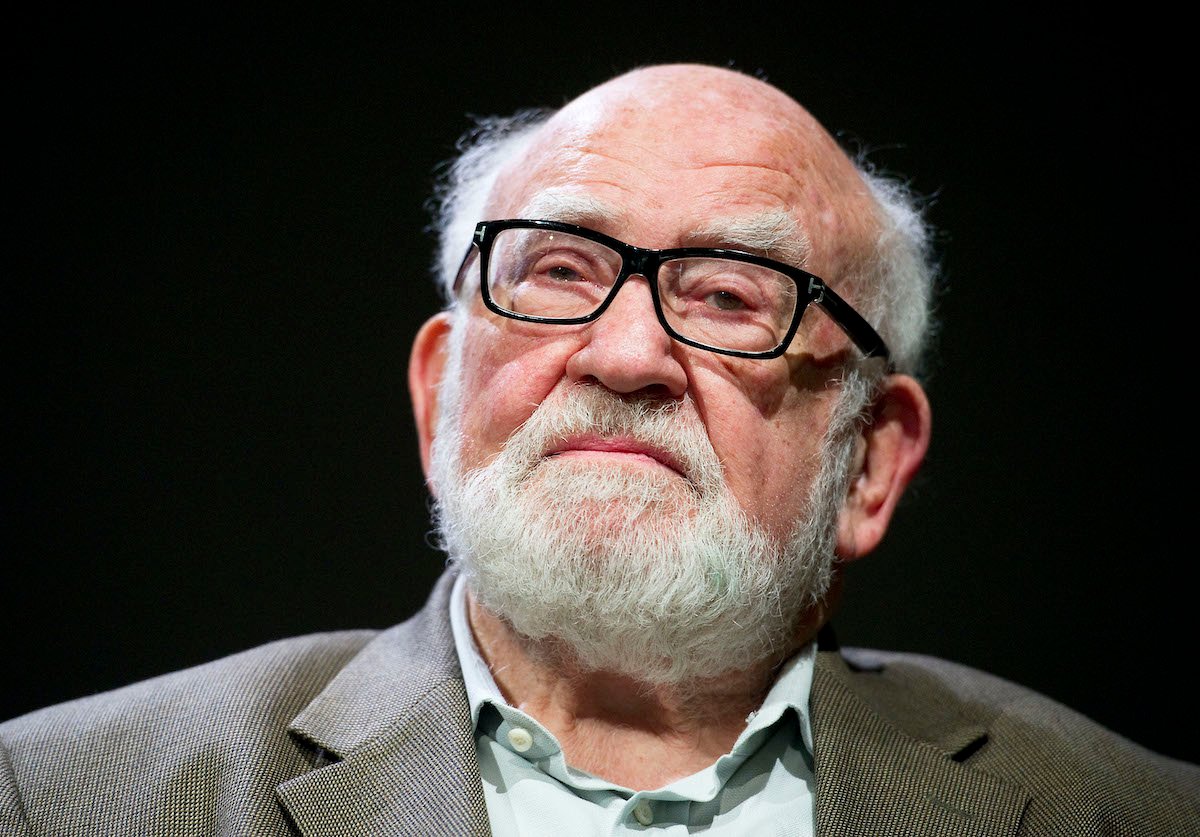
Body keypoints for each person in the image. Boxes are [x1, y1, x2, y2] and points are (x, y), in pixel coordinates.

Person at [1, 62, 1196, 837]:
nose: (625, 354)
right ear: (439, 397)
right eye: (559, 271)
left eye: (732, 294)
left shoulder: (1131, 815)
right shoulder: (63, 801)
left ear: (871, 461)